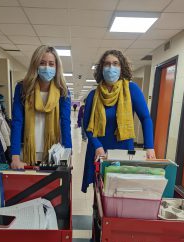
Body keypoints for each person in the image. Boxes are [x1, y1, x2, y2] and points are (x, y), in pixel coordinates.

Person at [81, 49, 156, 193]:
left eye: (115, 64)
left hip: (123, 150)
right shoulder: (93, 95)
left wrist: (149, 147)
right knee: (99, 193)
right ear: (101, 68)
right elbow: (87, 125)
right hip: (99, 150)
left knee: (120, 190)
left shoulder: (131, 89)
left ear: (122, 68)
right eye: (107, 64)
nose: (111, 68)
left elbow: (146, 118)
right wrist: (96, 145)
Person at [11, 45, 72, 169]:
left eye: (51, 64)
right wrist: (15, 156)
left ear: (56, 67)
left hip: (53, 153)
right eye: (42, 63)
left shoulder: (63, 91)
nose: (47, 67)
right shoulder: (23, 88)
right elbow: (17, 122)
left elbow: (65, 123)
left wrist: (68, 154)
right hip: (27, 152)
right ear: (35, 65)